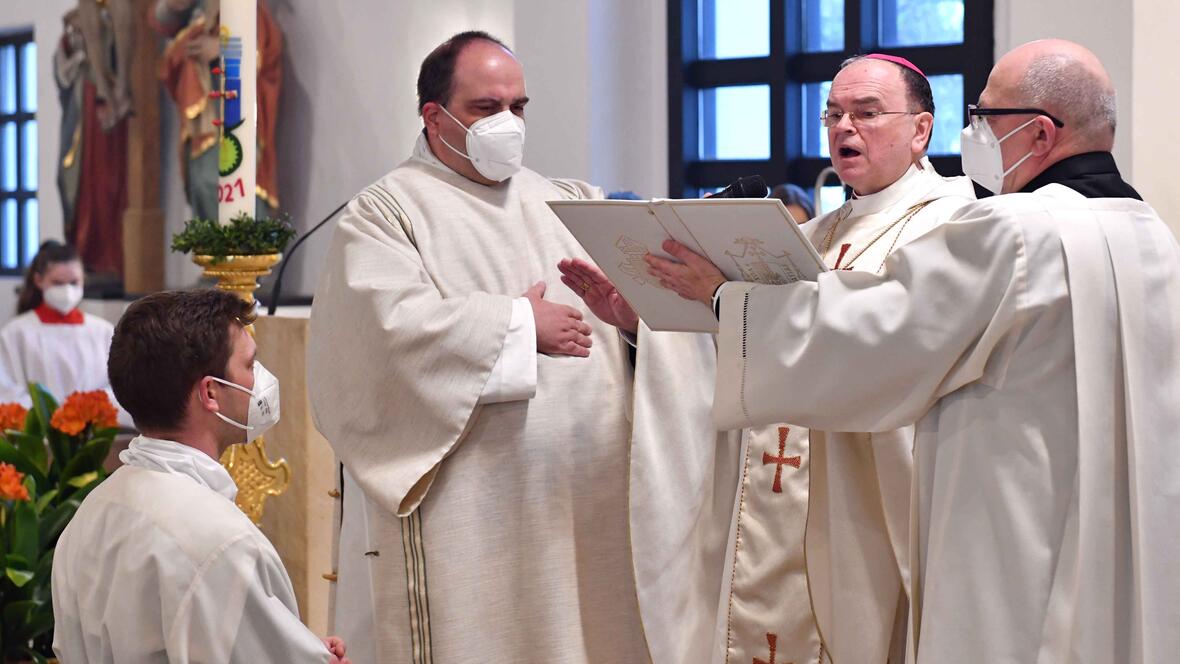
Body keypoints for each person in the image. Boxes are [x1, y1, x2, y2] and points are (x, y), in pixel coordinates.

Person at [645, 39, 1178, 661]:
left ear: (1037, 134)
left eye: (985, 117)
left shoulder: (1013, 229)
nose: (973, 132)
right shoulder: (1147, 231)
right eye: (833, 114)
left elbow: (882, 333)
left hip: (1015, 515)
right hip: (1113, 517)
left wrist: (727, 303)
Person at [306, 31, 739, 664]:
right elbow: (379, 340)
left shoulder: (571, 203)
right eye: (486, 108)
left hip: (585, 504)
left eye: (519, 106)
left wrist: (630, 326)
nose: (507, 122)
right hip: (475, 520)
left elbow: (663, 340)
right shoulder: (384, 215)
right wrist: (515, 326)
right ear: (434, 116)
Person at [561, 53, 975, 663]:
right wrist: (642, 326)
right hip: (774, 496)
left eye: (866, 113)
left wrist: (730, 303)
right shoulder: (813, 235)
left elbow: (889, 350)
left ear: (921, 130)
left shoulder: (954, 227)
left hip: (868, 508)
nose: (843, 129)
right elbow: (736, 345)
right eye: (833, 114)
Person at [51, 288, 350, 663]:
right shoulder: (224, 542)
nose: (260, 380)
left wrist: (295, 644)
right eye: (249, 365)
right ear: (211, 392)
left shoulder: (92, 511)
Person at [0, 242, 128, 424]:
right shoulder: (16, 333)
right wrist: (52, 416)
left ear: (83, 280)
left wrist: (86, 409)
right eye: (58, 283)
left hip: (92, 428)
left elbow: (119, 385)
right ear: (38, 280)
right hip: (39, 433)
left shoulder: (103, 331)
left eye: (74, 283)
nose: (67, 290)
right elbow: (6, 389)